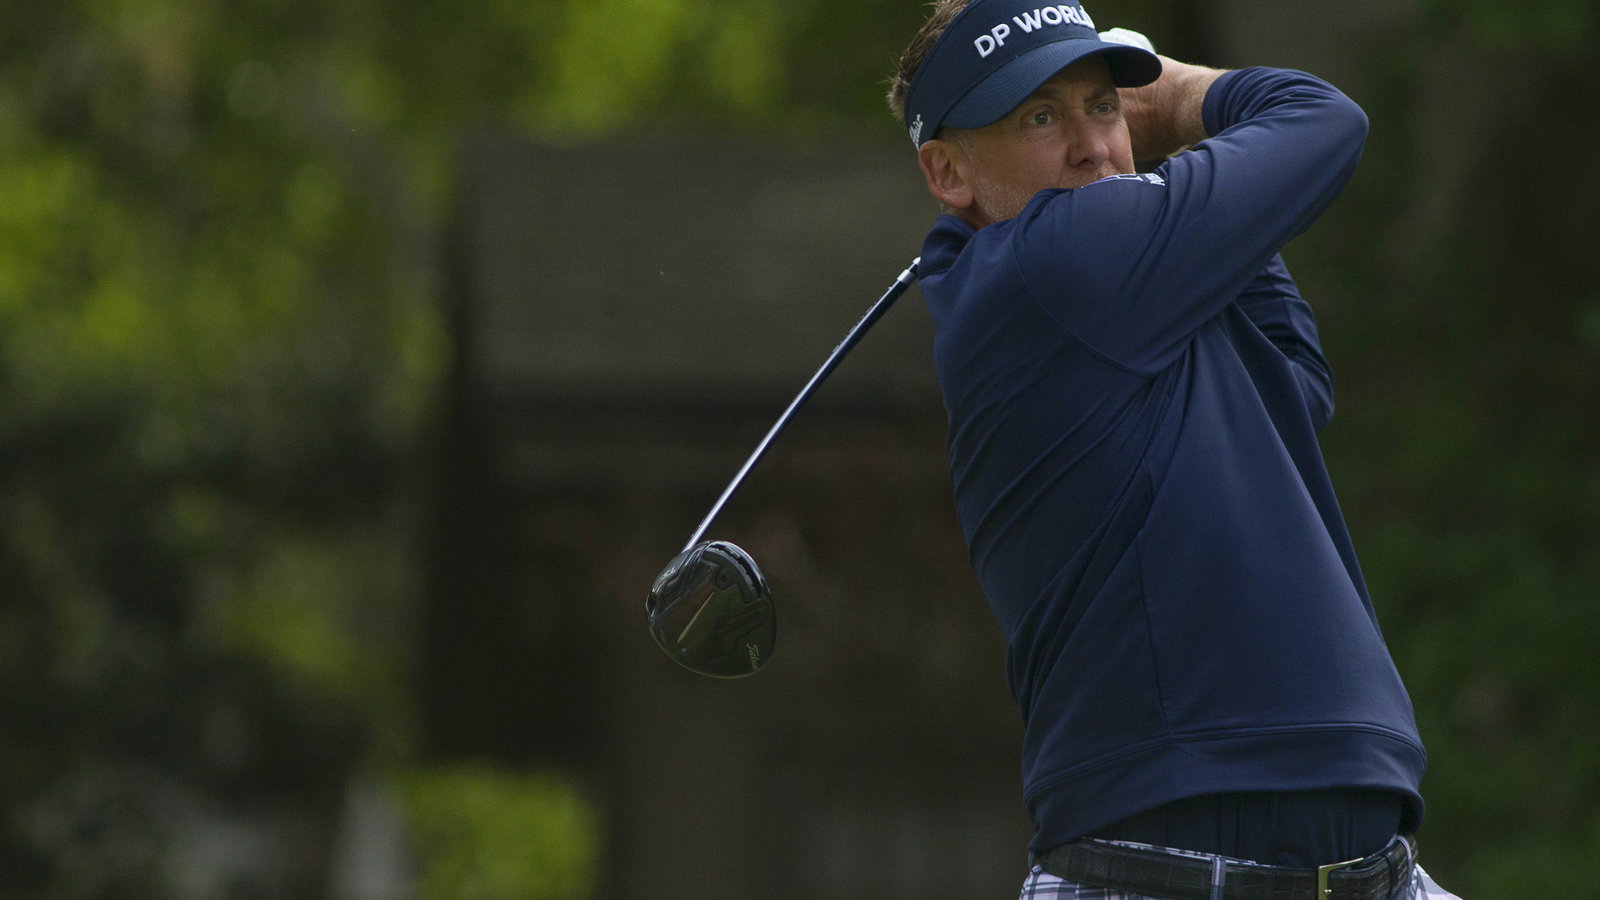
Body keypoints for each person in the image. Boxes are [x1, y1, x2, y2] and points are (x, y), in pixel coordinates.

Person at [887, 1, 1462, 897]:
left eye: (1102, 106)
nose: (1090, 144)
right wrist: (1168, 98)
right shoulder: (1046, 268)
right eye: (1040, 117)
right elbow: (1320, 119)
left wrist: (1145, 159)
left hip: (1375, 872)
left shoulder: (1129, 290)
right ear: (947, 171)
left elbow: (1296, 388)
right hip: (1164, 876)